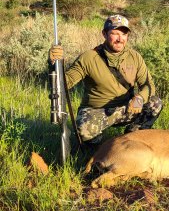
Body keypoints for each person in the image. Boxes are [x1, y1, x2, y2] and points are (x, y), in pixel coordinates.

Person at [49, 15, 163, 145]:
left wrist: (140, 98)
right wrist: (53, 64)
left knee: (155, 103)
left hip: (126, 108)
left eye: (124, 34)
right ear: (104, 34)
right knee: (85, 130)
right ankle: (93, 148)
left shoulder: (135, 57)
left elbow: (148, 85)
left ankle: (133, 138)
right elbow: (64, 83)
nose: (120, 39)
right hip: (97, 111)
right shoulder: (88, 57)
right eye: (115, 33)